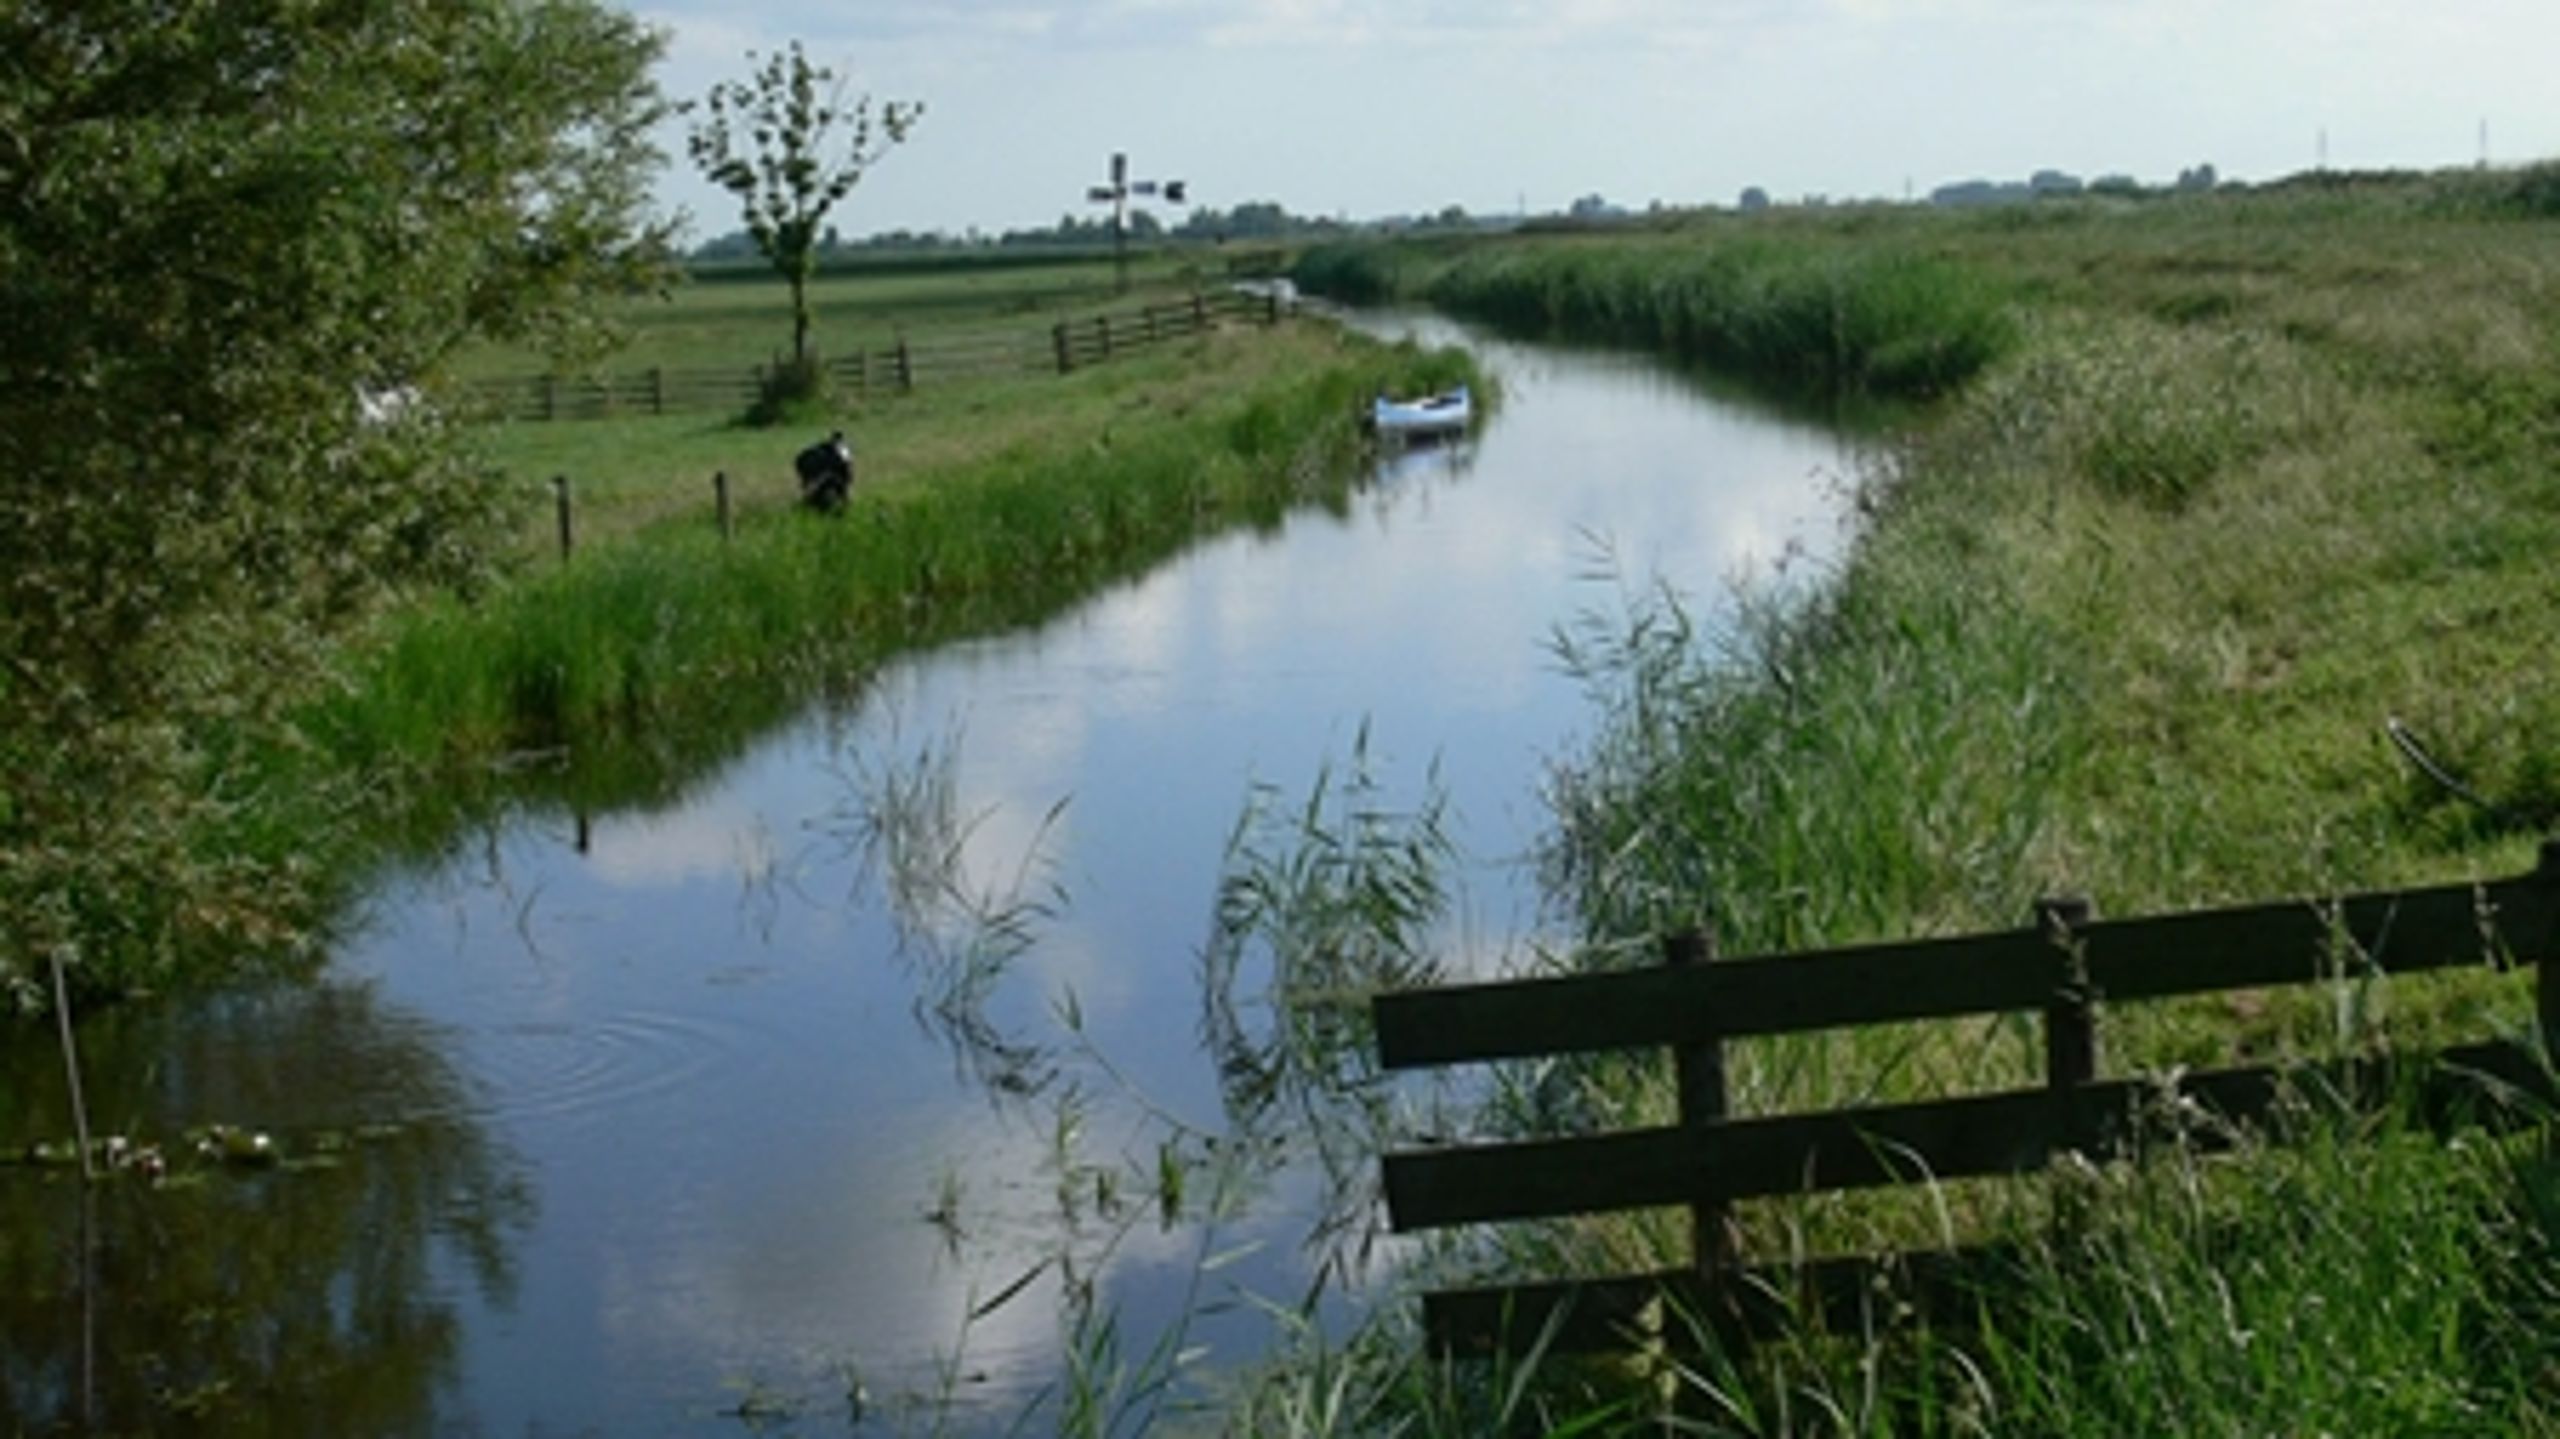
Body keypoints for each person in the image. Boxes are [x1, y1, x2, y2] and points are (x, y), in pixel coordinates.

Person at [795, 429, 854, 513]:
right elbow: (847, 467)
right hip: (817, 467)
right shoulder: (841, 451)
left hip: (813, 466)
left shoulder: (833, 449)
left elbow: (846, 467)